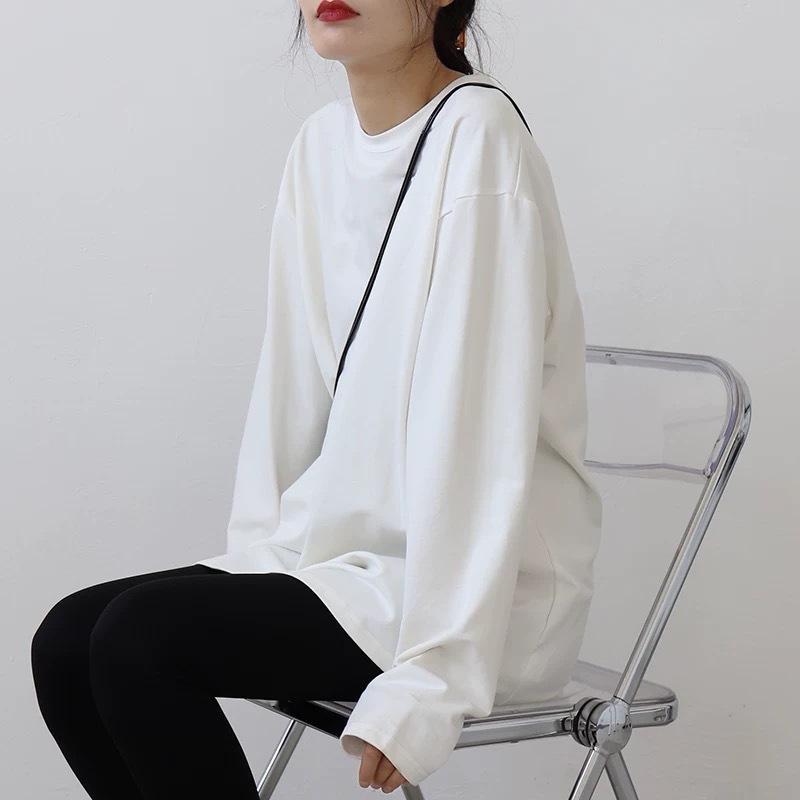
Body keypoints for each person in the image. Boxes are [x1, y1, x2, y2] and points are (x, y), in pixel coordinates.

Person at [30, 0, 603, 796]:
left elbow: (478, 433)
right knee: (67, 641)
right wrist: (256, 557)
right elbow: (292, 380)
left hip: (472, 596)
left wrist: (435, 676)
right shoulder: (321, 146)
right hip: (343, 562)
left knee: (140, 642)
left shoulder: (479, 139)